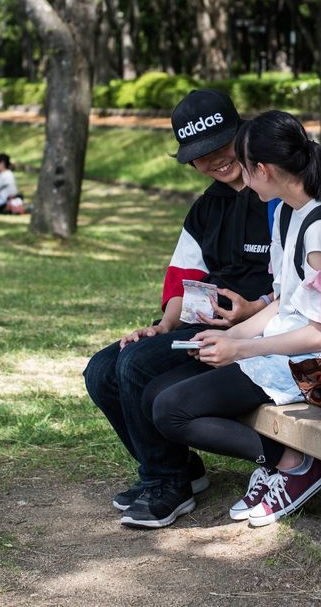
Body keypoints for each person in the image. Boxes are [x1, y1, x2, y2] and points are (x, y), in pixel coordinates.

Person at [148, 110, 321, 529]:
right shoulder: (287, 213)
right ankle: (281, 463)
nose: (243, 182)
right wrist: (230, 336)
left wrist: (242, 348)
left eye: (246, 169)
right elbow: (286, 302)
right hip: (286, 343)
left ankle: (295, 465)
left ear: (264, 170)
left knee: (170, 410)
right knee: (158, 390)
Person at [84, 89, 275, 530]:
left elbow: (295, 285)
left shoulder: (276, 195)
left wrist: (249, 310)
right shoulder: (206, 207)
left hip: (256, 332)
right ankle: (181, 469)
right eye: (201, 154)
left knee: (135, 365)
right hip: (199, 325)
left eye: (222, 145)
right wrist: (164, 326)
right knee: (101, 369)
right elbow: (183, 276)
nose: (215, 160)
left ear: (242, 135)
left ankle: (166, 483)